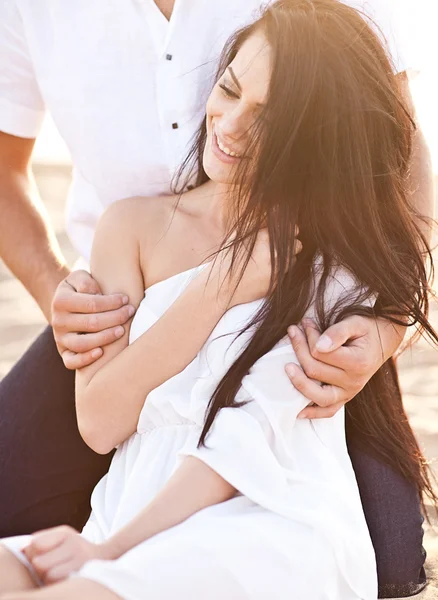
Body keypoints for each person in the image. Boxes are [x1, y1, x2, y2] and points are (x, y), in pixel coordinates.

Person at [1, 2, 437, 598]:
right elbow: (100, 422)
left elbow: (240, 447)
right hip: (134, 478)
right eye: (227, 91)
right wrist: (206, 288)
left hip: (258, 507)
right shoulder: (131, 226)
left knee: (394, 562)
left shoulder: (317, 261)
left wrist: (389, 327)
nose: (229, 125)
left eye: (267, 118)